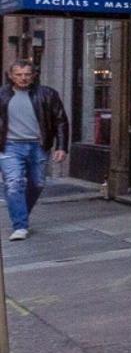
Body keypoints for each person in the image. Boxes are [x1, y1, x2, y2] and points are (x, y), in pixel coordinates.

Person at [0, 59, 68, 240]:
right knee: (14, 184)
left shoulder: (47, 94)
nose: (23, 78)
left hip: (37, 145)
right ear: (11, 76)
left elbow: (61, 120)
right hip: (9, 147)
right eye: (19, 75)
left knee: (37, 183)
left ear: (33, 76)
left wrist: (61, 147)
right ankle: (20, 226)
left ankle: (20, 212)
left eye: (27, 75)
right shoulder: (2, 95)